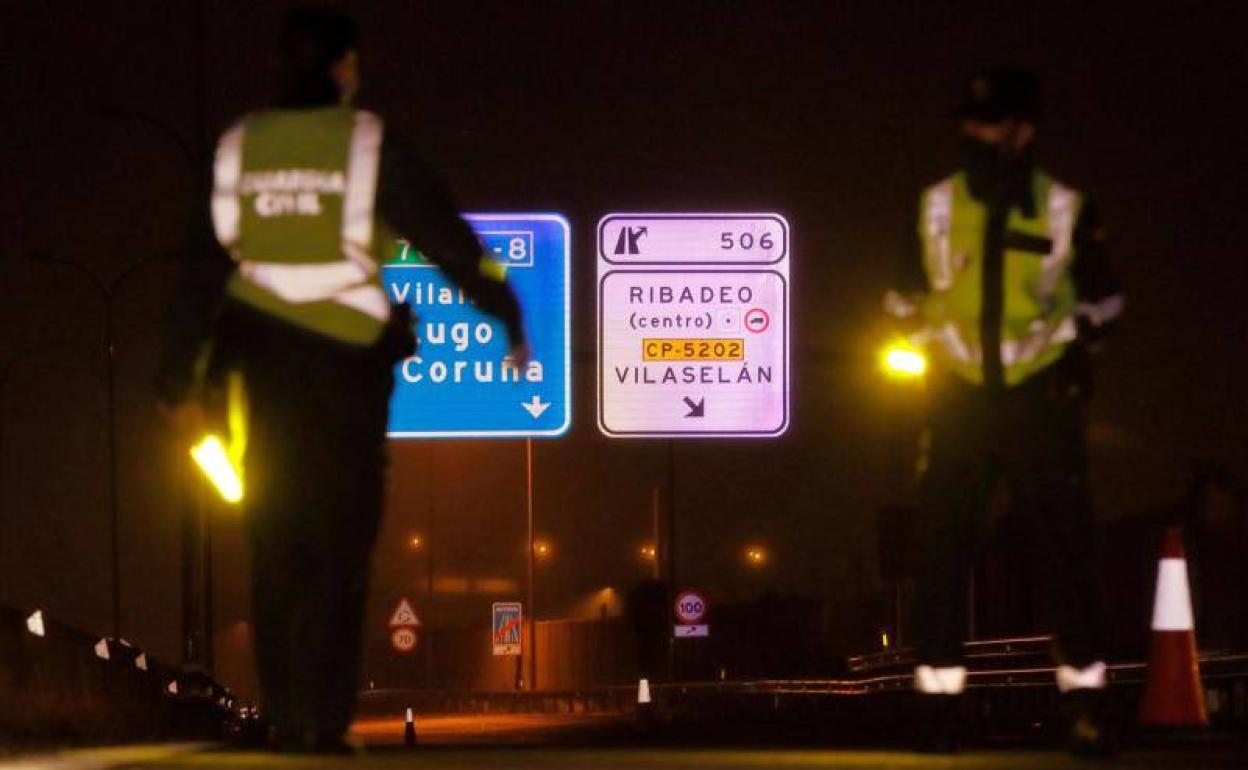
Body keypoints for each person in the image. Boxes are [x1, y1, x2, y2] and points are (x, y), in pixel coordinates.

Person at [156, 6, 527, 752]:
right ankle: (324, 724)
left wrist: (175, 382)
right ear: (347, 70)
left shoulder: (237, 149)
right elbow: (446, 236)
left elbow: (199, 274)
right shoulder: (367, 144)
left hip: (261, 368)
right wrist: (503, 309)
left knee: (275, 539)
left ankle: (289, 719)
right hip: (347, 374)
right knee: (341, 545)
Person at [882, 67, 1124, 754]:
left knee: (1065, 551)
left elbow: (1104, 302)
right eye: (972, 122)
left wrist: (1074, 363)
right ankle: (938, 709)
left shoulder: (1065, 208)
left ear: (1024, 130)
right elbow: (899, 301)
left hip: (1038, 400)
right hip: (959, 398)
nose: (977, 134)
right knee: (940, 554)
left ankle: (1085, 705)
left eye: (991, 123)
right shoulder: (932, 207)